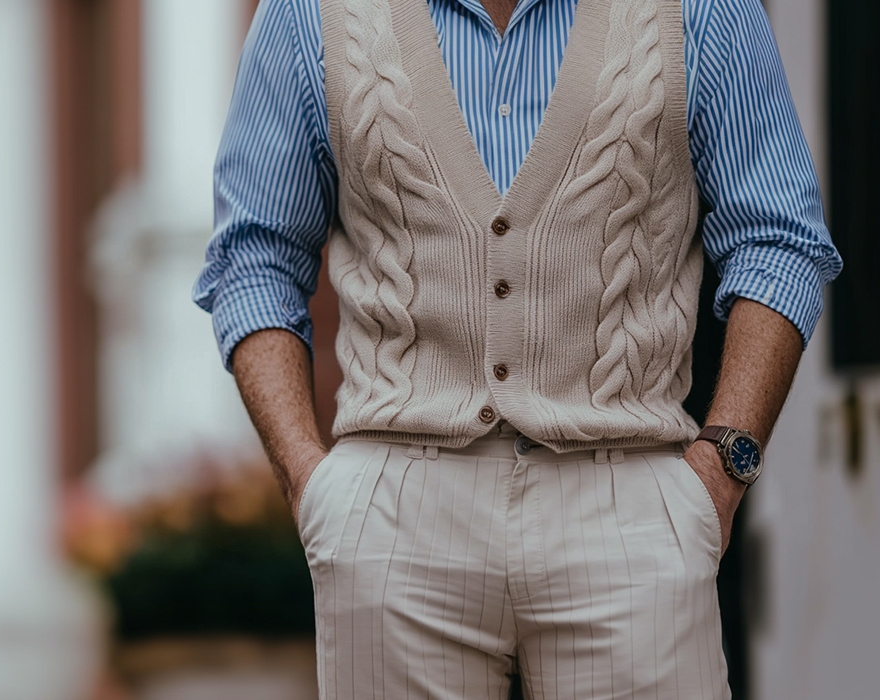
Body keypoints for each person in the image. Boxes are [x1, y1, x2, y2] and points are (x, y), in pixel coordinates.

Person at [193, 0, 842, 697]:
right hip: (392, 516)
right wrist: (307, 480)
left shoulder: (701, 9)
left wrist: (721, 468)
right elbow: (253, 257)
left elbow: (779, 240)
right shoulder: (309, 12)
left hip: (630, 505)